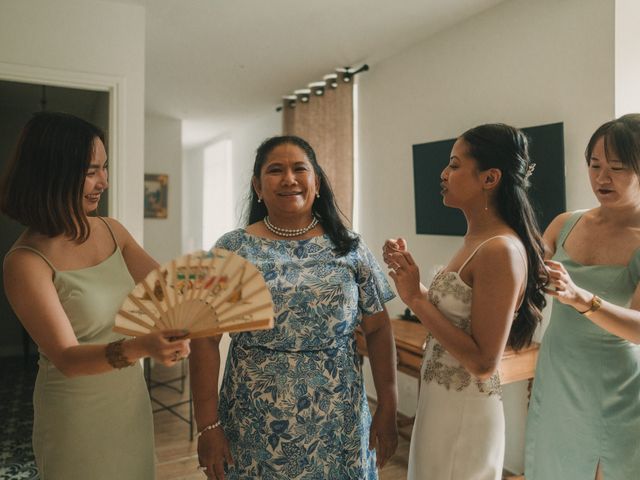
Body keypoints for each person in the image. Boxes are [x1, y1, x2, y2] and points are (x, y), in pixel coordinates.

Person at [190, 135, 398, 479]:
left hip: (339, 421)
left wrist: (388, 405)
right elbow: (204, 340)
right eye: (275, 170)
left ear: (316, 182)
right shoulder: (232, 249)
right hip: (255, 421)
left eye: (300, 169)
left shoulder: (350, 248)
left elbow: (378, 329)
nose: (289, 178)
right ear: (258, 186)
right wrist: (208, 425)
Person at [0, 112, 191, 480]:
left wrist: (212, 287)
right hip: (76, 416)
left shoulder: (112, 230)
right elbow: (68, 359)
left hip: (129, 404)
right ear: (50, 173)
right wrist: (144, 347)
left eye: (104, 168)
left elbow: (168, 289)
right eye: (90, 171)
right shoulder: (25, 261)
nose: (104, 181)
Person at [384, 123, 547, 480]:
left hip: (464, 413)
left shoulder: (500, 249)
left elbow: (484, 362)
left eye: (455, 165)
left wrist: (415, 298)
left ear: (489, 178)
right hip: (442, 403)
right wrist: (411, 280)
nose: (443, 174)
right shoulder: (477, 240)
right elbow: (457, 317)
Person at [525, 114, 640, 480]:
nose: (601, 178)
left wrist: (580, 298)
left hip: (617, 386)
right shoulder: (565, 222)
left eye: (617, 168)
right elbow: (525, 275)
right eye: (594, 165)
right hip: (558, 372)